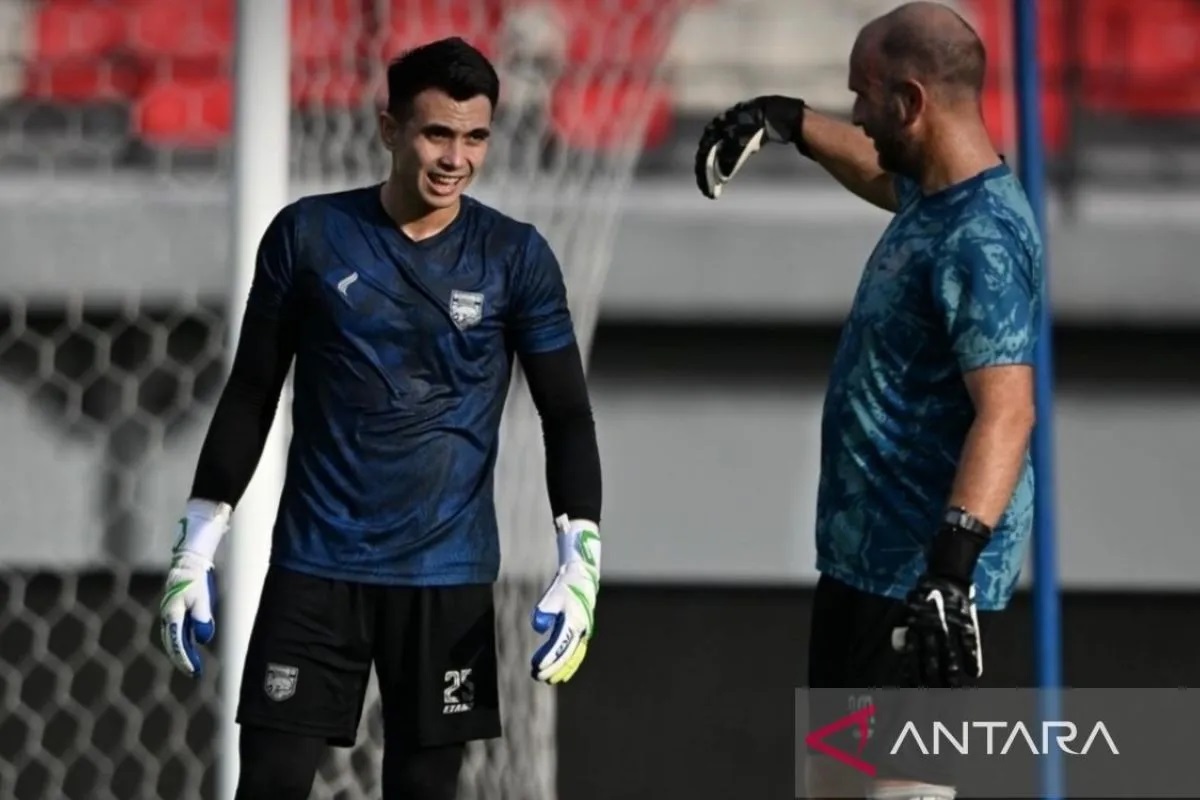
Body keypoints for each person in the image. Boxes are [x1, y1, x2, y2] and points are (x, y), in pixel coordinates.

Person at [157, 36, 603, 800]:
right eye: (436, 133)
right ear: (389, 128)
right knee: (268, 783)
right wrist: (195, 551)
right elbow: (251, 390)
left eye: (474, 137)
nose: (455, 157)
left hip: (448, 578)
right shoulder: (308, 236)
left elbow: (566, 415)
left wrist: (582, 561)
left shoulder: (516, 257)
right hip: (316, 567)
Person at [694, 2, 1042, 798]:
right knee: (831, 787)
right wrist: (786, 121)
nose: (855, 111)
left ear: (911, 102)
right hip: (862, 572)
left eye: (864, 94)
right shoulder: (937, 194)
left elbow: (1009, 410)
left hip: (914, 586)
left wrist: (949, 574)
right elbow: (879, 169)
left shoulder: (981, 238)